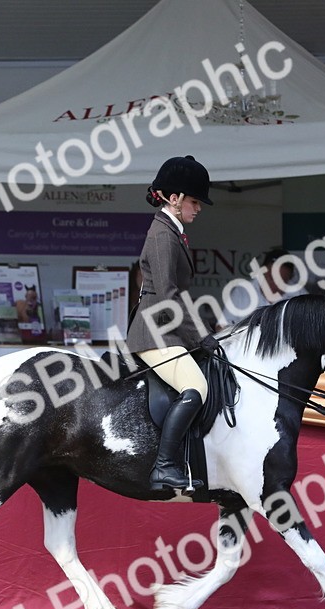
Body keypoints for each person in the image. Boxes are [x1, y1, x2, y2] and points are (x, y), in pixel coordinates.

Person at [126, 155, 219, 493]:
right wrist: (201, 335)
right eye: (195, 201)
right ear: (175, 198)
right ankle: (164, 466)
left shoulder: (172, 232)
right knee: (197, 388)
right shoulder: (163, 236)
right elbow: (168, 296)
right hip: (154, 332)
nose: (199, 208)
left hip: (165, 328)